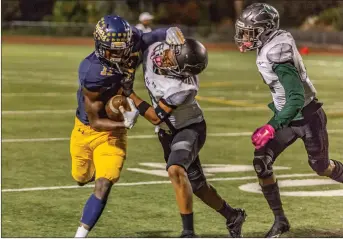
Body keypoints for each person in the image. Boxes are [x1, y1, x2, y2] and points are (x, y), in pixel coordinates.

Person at [70, 15, 186, 237]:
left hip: (114, 133)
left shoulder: (131, 42)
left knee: (104, 184)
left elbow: (154, 35)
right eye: (113, 51)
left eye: (123, 49)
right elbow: (94, 120)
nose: (120, 55)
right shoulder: (91, 71)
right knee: (81, 178)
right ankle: (93, 169)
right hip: (87, 128)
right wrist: (124, 119)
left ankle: (79, 235)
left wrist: (171, 29)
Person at [234, 3, 343, 238]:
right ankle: (280, 220)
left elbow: (295, 99)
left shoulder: (277, 52)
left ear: (265, 30)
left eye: (250, 31)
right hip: (288, 115)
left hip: (306, 116)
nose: (244, 36)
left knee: (321, 167)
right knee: (261, 161)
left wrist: (271, 126)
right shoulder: (271, 41)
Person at [121, 39, 247, 238]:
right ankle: (232, 216)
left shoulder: (183, 88)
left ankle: (188, 233)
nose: (166, 56)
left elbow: (154, 117)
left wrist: (131, 95)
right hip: (167, 132)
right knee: (198, 186)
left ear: (183, 71)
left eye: (173, 57)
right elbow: (145, 41)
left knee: (176, 170)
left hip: (189, 129)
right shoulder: (157, 49)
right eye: (171, 51)